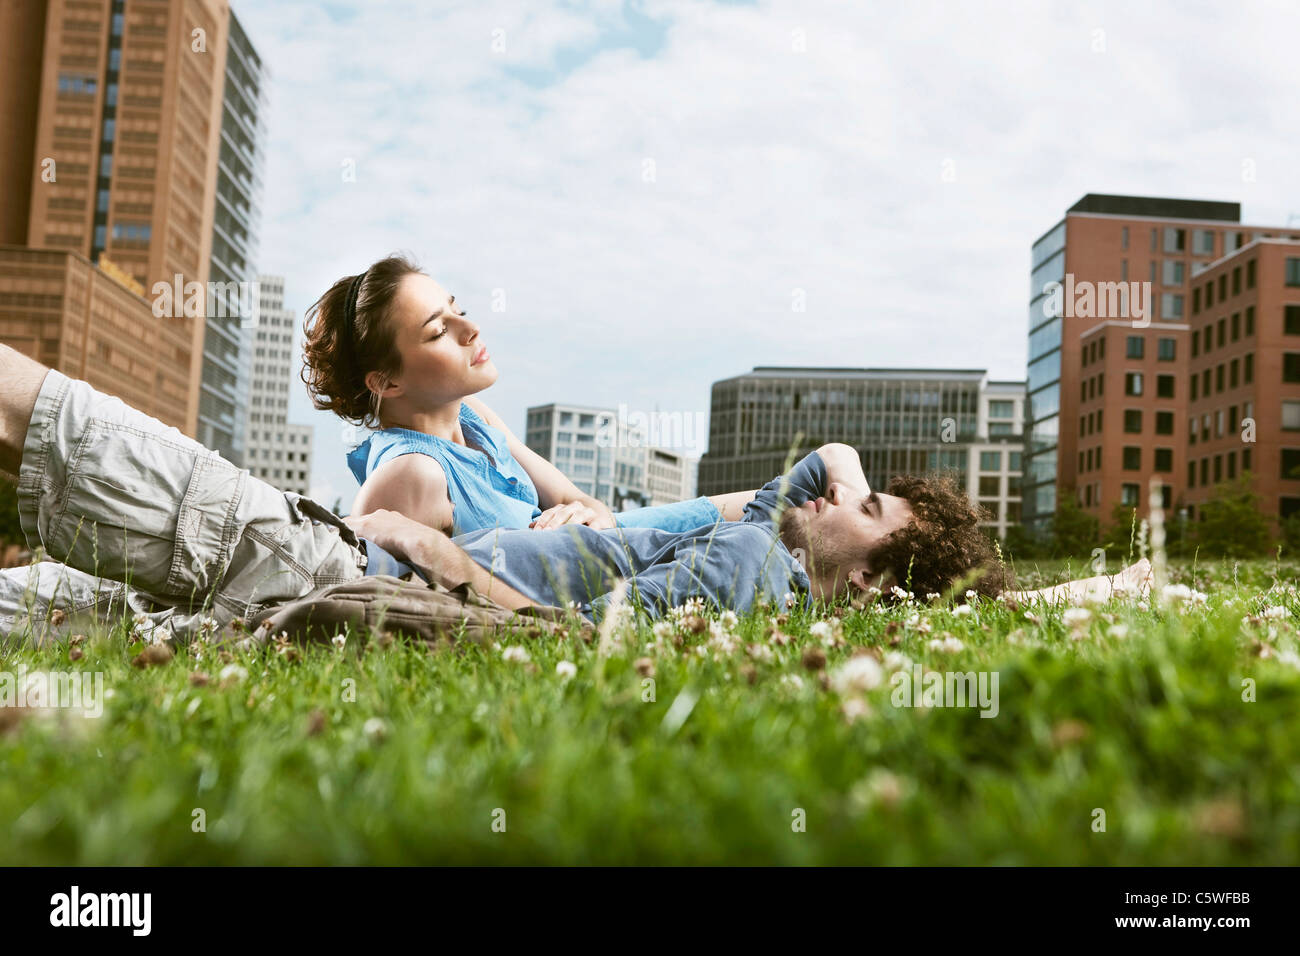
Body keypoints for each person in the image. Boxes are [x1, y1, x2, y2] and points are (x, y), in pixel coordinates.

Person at [0, 345, 1150, 647]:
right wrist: (860, 491)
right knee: (50, 608)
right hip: (326, 582)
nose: (847, 489)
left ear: (871, 566)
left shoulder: (753, 570)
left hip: (346, 571)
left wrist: (428, 550)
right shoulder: (775, 552)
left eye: (873, 510)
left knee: (48, 419)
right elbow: (820, 463)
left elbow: (566, 632)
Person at [302, 255, 721, 537]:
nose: (470, 329)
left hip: (602, 544)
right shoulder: (409, 475)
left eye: (457, 310)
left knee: (777, 499)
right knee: (771, 523)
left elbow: (576, 498)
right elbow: (391, 602)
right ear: (387, 383)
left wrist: (585, 514)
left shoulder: (473, 417)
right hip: (593, 578)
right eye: (437, 331)